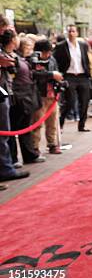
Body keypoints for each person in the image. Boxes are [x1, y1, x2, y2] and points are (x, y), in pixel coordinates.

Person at [0, 20, 29, 183]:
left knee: (6, 133)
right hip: (6, 92)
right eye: (4, 29)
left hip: (5, 93)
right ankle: (6, 168)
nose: (5, 33)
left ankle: (7, 166)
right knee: (4, 134)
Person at [8, 36, 44, 165]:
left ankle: (29, 155)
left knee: (25, 127)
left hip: (27, 95)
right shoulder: (12, 58)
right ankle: (13, 158)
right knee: (13, 128)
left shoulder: (23, 59)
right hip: (17, 96)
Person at [53, 25, 92, 132]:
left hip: (83, 76)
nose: (71, 33)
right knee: (70, 102)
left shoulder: (83, 45)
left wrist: (89, 73)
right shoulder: (61, 46)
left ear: (77, 33)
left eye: (73, 31)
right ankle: (60, 124)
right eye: (69, 31)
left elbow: (86, 60)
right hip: (69, 77)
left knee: (84, 102)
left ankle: (82, 125)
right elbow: (55, 60)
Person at [31, 39, 63, 155]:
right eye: (46, 52)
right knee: (37, 122)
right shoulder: (33, 60)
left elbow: (57, 73)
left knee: (52, 122)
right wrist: (51, 75)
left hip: (52, 95)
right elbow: (34, 75)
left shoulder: (52, 59)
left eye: (49, 52)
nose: (48, 54)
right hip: (40, 95)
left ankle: (52, 144)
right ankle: (34, 147)